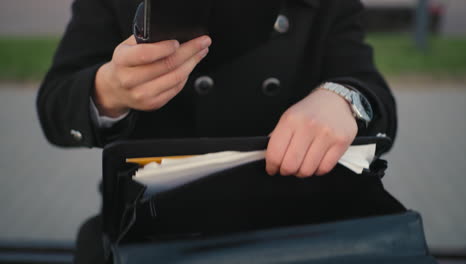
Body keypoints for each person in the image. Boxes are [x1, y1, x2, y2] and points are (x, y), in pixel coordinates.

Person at [36, 0, 398, 262]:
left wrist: (342, 99)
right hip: (156, 231)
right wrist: (108, 91)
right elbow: (54, 108)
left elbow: (374, 95)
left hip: (295, 228)